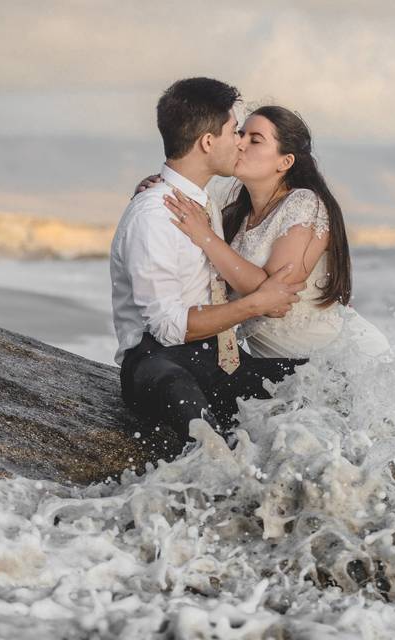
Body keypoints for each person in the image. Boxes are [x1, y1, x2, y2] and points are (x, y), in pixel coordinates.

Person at [111, 78, 307, 452]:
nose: (240, 141)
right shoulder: (155, 214)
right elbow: (168, 328)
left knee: (322, 382)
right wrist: (256, 304)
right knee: (209, 443)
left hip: (215, 358)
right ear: (207, 142)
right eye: (234, 131)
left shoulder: (201, 203)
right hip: (156, 363)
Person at [135, 105, 390, 360]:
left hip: (344, 360)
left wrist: (205, 236)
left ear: (285, 161)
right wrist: (161, 190)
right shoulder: (233, 214)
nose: (240, 143)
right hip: (279, 372)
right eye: (240, 134)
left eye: (255, 140)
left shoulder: (304, 203)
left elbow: (276, 294)